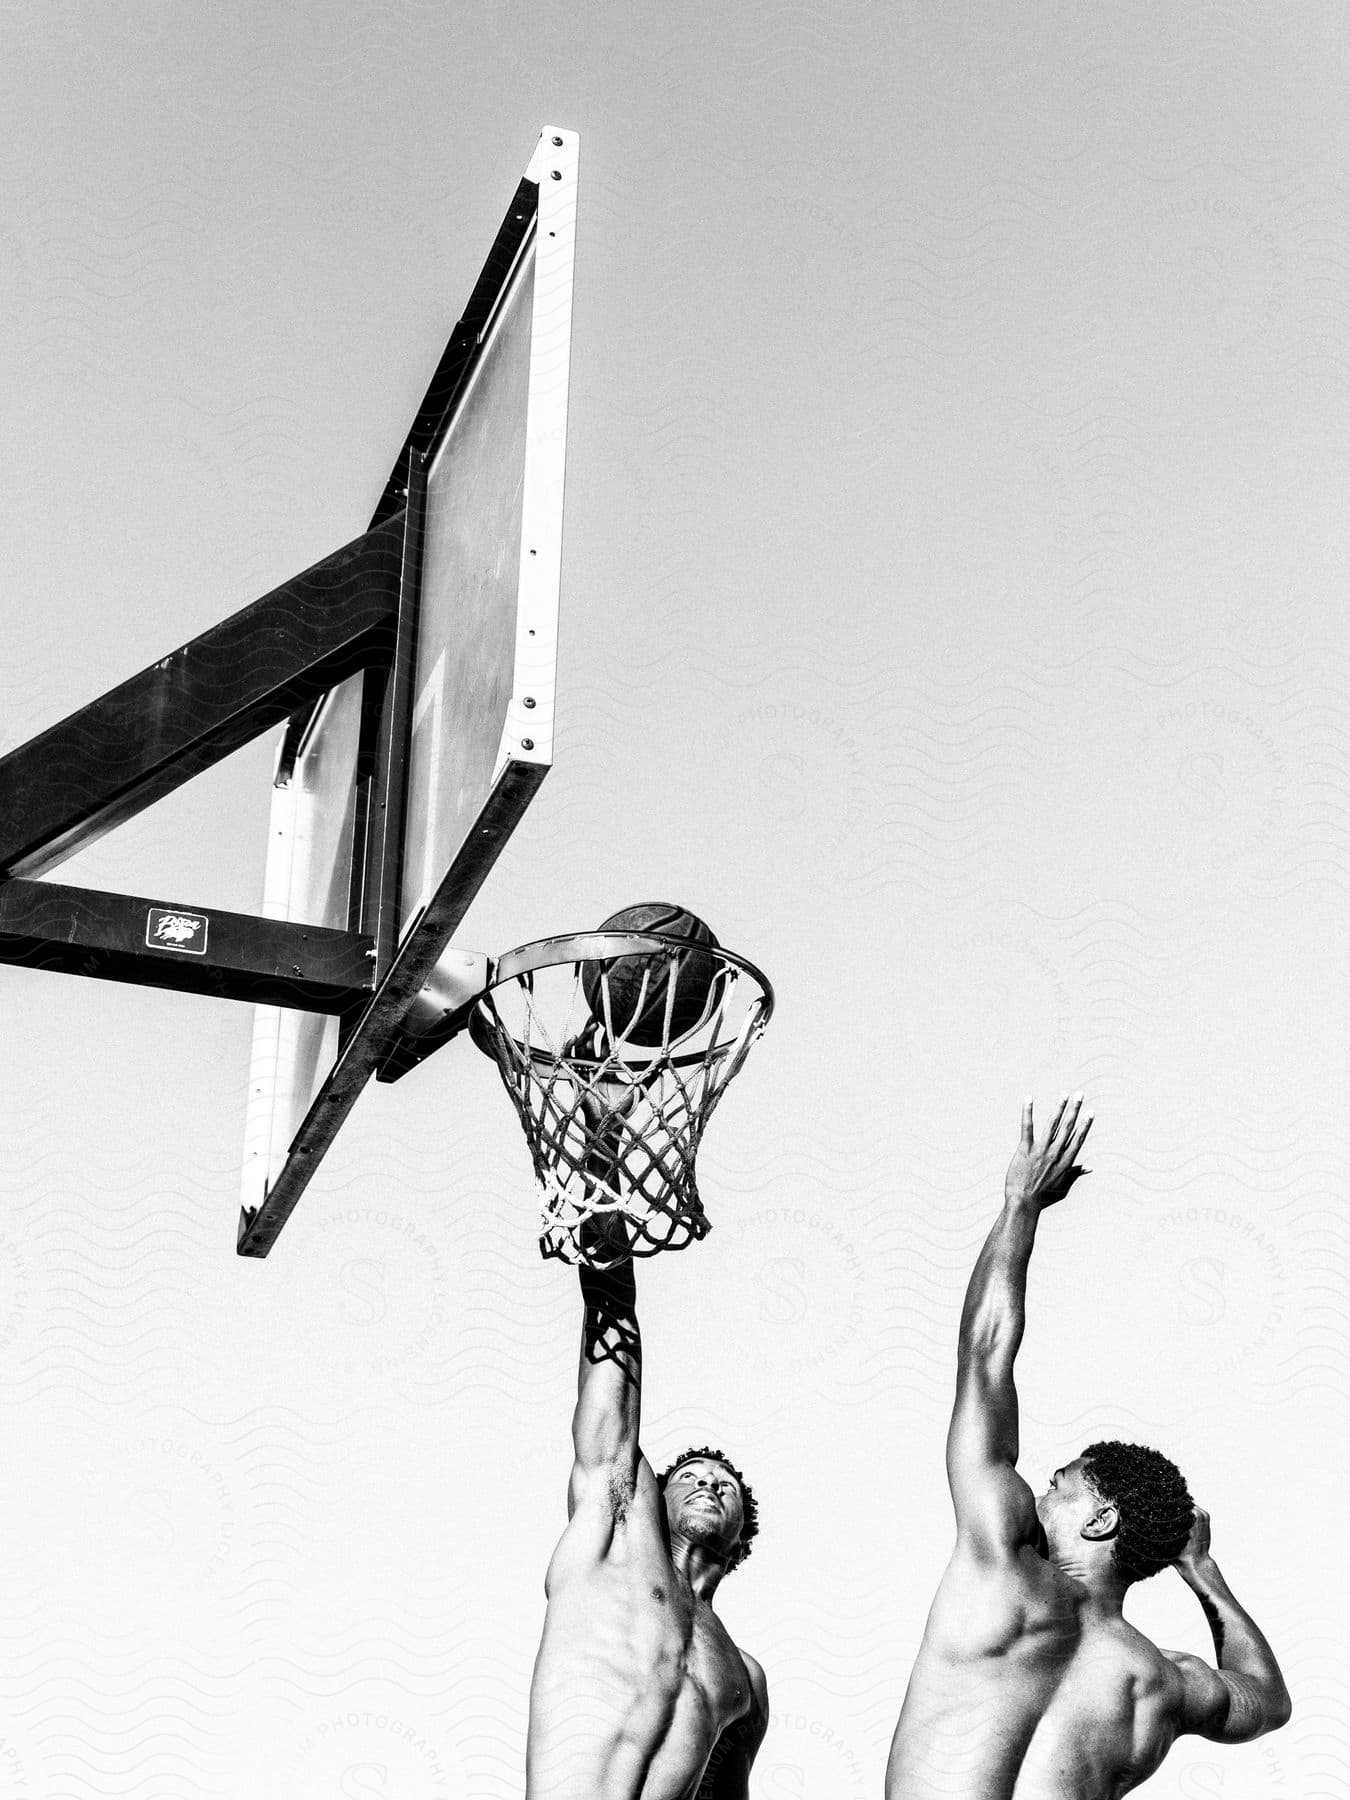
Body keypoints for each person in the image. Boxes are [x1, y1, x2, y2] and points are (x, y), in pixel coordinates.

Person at [887, 1094, 1291, 1799]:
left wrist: (1021, 1206)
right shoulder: (1162, 1681)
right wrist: (1202, 1570)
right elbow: (1266, 1700)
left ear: (1100, 1519)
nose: (1039, 1492)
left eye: (1059, 1483)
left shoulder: (1003, 1569)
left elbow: (984, 1359)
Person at [526, 1242, 768, 1798]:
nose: (709, 1482)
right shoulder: (615, 1541)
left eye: (724, 1484)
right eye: (689, 1476)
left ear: (741, 1537)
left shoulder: (744, 1679)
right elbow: (612, 1401)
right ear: (653, 1501)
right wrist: (606, 1246)